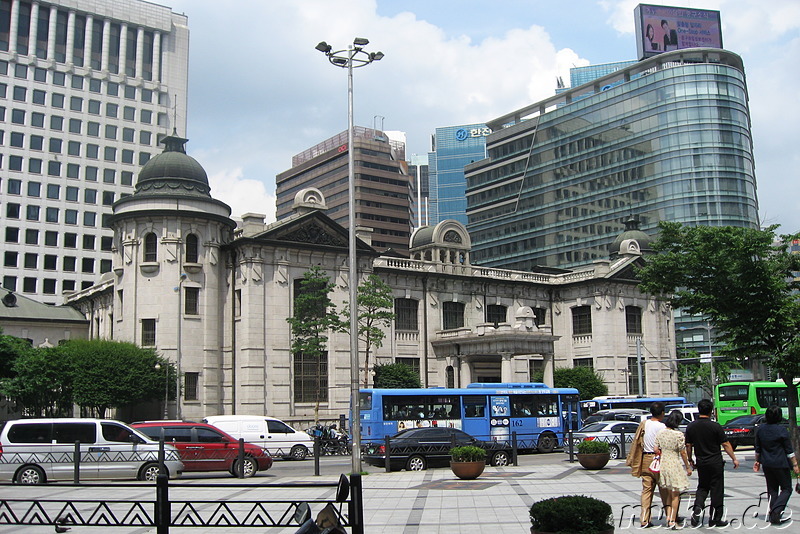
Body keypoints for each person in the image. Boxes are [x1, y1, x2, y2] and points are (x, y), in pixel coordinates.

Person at [685, 398, 739, 528]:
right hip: (715, 462)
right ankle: (715, 518)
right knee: (716, 489)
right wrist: (734, 458)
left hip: (701, 461)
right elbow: (725, 444)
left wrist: (690, 459)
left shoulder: (691, 426)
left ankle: (697, 507)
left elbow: (688, 444)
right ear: (710, 411)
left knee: (702, 487)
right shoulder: (715, 426)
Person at [626, 401, 670, 528]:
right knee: (664, 490)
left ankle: (644, 519)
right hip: (659, 459)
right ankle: (670, 517)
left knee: (646, 491)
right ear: (662, 413)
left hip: (646, 459)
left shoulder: (644, 424)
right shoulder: (662, 427)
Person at [753, 404, 800, 524]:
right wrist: (795, 465)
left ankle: (773, 514)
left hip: (767, 464)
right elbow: (789, 450)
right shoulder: (781, 430)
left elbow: (758, 448)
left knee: (772, 489)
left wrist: (757, 461)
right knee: (787, 489)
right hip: (781, 463)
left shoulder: (761, 429)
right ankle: (776, 511)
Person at [655, 410, 693, 529]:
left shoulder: (661, 433)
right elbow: (682, 452)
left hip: (664, 464)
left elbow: (656, 448)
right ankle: (672, 519)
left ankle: (668, 517)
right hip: (674, 464)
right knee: (675, 494)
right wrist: (687, 466)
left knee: (667, 493)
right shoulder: (678, 435)